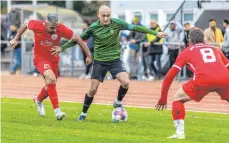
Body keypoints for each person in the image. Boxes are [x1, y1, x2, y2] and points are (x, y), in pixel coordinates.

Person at [52, 5, 166, 121]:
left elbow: (135, 27)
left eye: (108, 15)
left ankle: (118, 102)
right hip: (99, 61)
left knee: (125, 82)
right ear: (98, 15)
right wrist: (63, 48)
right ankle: (83, 113)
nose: (106, 18)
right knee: (93, 89)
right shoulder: (93, 27)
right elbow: (78, 39)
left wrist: (154, 33)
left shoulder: (116, 23)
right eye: (104, 16)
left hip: (114, 60)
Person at [10, 13, 92, 120]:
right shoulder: (37, 25)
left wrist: (89, 55)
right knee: (51, 78)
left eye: (56, 26)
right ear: (46, 23)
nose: (54, 29)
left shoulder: (60, 28)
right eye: (52, 27)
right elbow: (26, 24)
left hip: (53, 60)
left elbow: (78, 39)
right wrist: (16, 38)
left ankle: (38, 100)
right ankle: (57, 111)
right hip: (40, 58)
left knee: (49, 85)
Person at [155, 27, 229, 139]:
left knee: (178, 98)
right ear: (203, 39)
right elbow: (228, 65)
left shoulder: (186, 52)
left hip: (203, 80)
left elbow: (169, 76)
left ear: (189, 40)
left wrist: (163, 98)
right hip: (225, 79)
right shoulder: (215, 48)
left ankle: (180, 133)